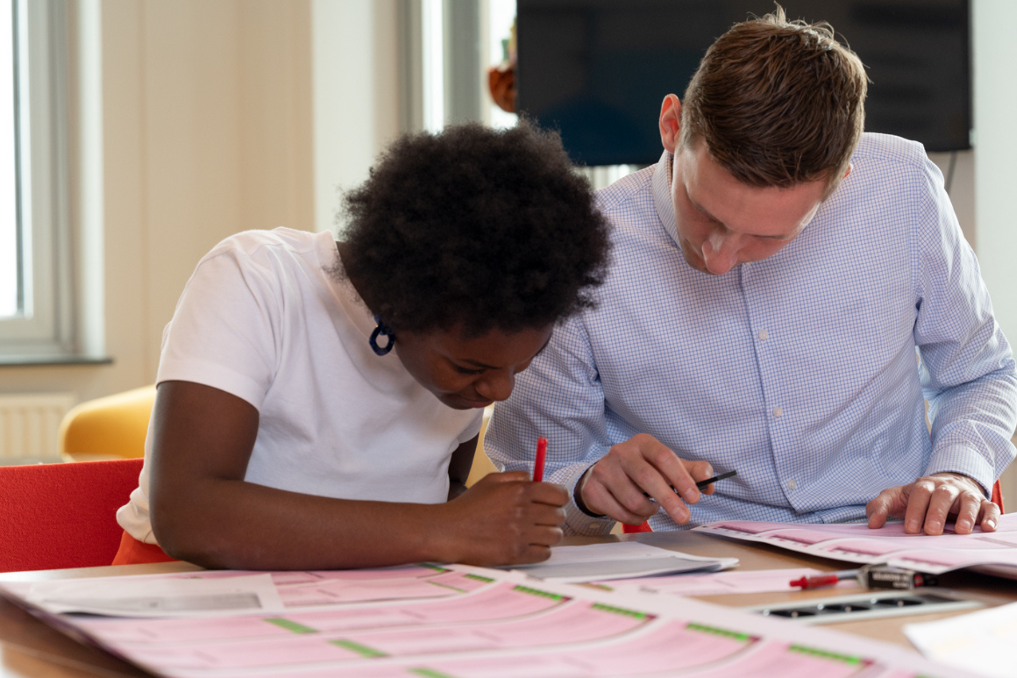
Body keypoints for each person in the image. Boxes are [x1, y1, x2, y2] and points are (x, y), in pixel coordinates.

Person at [486, 9, 1017, 538]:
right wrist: (586, 488)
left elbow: (983, 374)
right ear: (672, 126)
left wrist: (957, 471)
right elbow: (534, 473)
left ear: (841, 178)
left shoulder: (901, 189)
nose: (717, 260)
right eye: (706, 212)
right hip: (700, 564)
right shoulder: (578, 249)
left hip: (895, 542)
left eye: (771, 235)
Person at [113, 122, 611, 570]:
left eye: (524, 363)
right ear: (399, 300)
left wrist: (488, 522)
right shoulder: (255, 279)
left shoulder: (473, 352)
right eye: (469, 367)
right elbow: (190, 514)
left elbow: (442, 496)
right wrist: (449, 529)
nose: (500, 390)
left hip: (374, 592)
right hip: (188, 584)